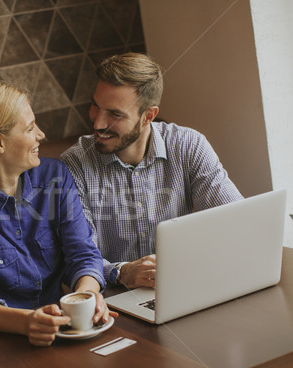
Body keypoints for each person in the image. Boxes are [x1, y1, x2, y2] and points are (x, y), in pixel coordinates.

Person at [0, 80, 116, 347]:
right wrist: (26, 322)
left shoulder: (55, 175)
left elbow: (83, 253)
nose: (41, 135)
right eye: (30, 128)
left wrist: (88, 296)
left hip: (57, 332)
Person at [61, 53, 243, 289]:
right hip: (116, 299)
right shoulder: (73, 164)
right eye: (96, 106)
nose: (98, 123)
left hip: (184, 285)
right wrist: (121, 272)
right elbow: (78, 256)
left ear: (148, 116)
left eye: (115, 114)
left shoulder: (189, 145)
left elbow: (235, 221)